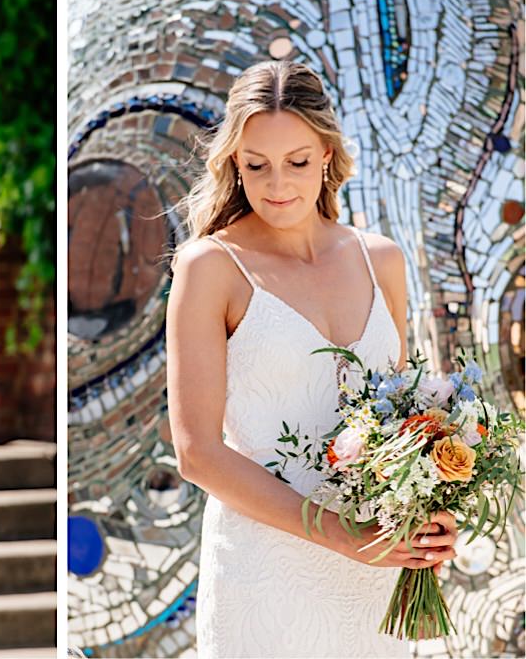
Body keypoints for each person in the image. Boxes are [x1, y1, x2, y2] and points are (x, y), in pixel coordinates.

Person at [165, 61, 458, 657]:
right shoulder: (210, 268)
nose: (277, 185)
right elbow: (197, 453)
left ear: (326, 153)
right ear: (234, 163)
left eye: (297, 161)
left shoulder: (382, 260)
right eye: (256, 165)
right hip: (266, 577)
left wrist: (432, 516)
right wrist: (346, 536)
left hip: (376, 575)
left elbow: (402, 426)